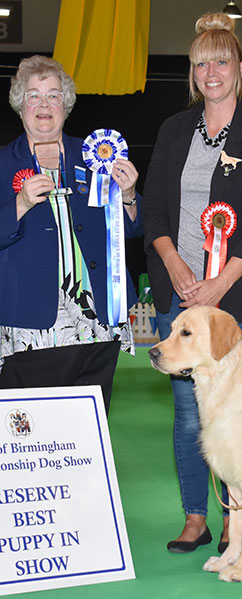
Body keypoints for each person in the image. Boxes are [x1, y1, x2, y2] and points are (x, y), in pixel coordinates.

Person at [142, 12, 242, 553]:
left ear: (240, 68)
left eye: (221, 60)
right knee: (186, 414)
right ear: (193, 73)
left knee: (234, 414)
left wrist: (219, 285)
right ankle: (196, 516)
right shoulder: (174, 131)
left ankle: (236, 517)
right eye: (201, 63)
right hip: (176, 296)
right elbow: (153, 208)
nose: (211, 71)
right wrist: (175, 264)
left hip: (234, 299)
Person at [0, 55, 143, 413]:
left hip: (95, 319)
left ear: (66, 104)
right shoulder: (3, 163)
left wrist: (127, 197)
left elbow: (131, 228)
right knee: (31, 432)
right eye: (33, 96)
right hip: (30, 325)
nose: (44, 105)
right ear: (20, 106)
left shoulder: (96, 156)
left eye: (53, 95)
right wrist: (18, 205)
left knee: (87, 428)